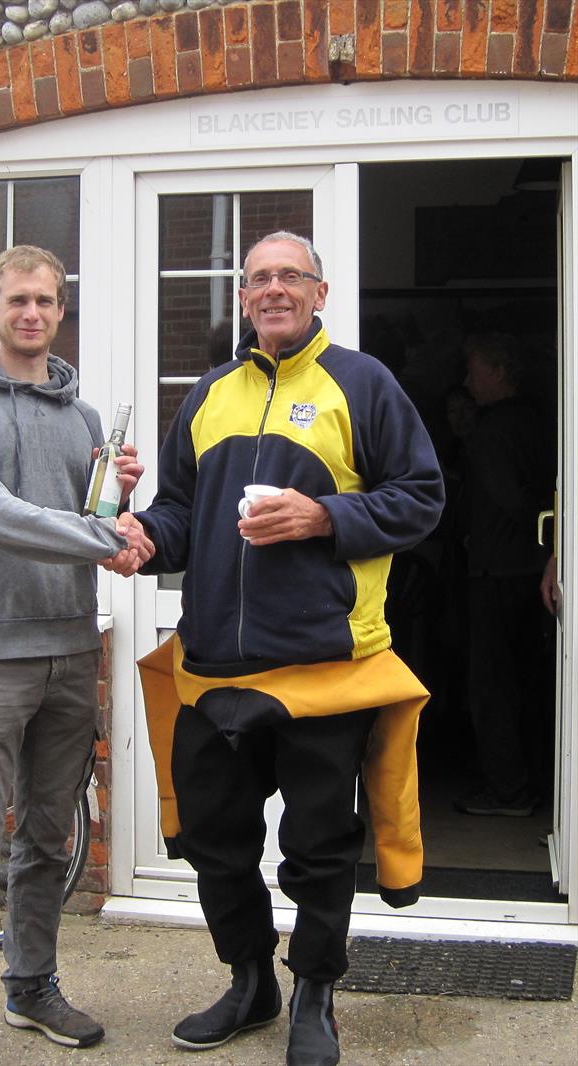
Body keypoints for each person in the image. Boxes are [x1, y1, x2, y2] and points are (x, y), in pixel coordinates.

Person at [115, 232, 444, 1066]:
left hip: (323, 670)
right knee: (215, 842)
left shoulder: (363, 385)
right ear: (245, 297)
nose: (271, 290)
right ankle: (250, 982)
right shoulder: (211, 392)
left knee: (319, 849)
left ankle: (315, 996)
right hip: (214, 672)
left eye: (288, 277)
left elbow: (422, 499)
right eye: (258, 278)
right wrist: (144, 537)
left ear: (319, 292)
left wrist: (325, 516)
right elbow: (181, 514)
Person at [0, 245, 151, 1066]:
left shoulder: (83, 418)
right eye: (17, 300)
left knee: (50, 838)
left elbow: (89, 520)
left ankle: (31, 985)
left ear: (60, 311)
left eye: (46, 301)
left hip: (68, 647)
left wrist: (118, 496)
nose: (32, 313)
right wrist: (102, 535)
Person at [454, 332, 554, 818]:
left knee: (492, 685)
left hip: (496, 571)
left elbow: (509, 497)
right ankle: (534, 780)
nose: (468, 381)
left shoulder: (492, 431)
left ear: (499, 373)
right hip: (532, 569)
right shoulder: (541, 419)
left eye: (474, 370)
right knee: (531, 680)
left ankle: (506, 790)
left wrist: (478, 532)